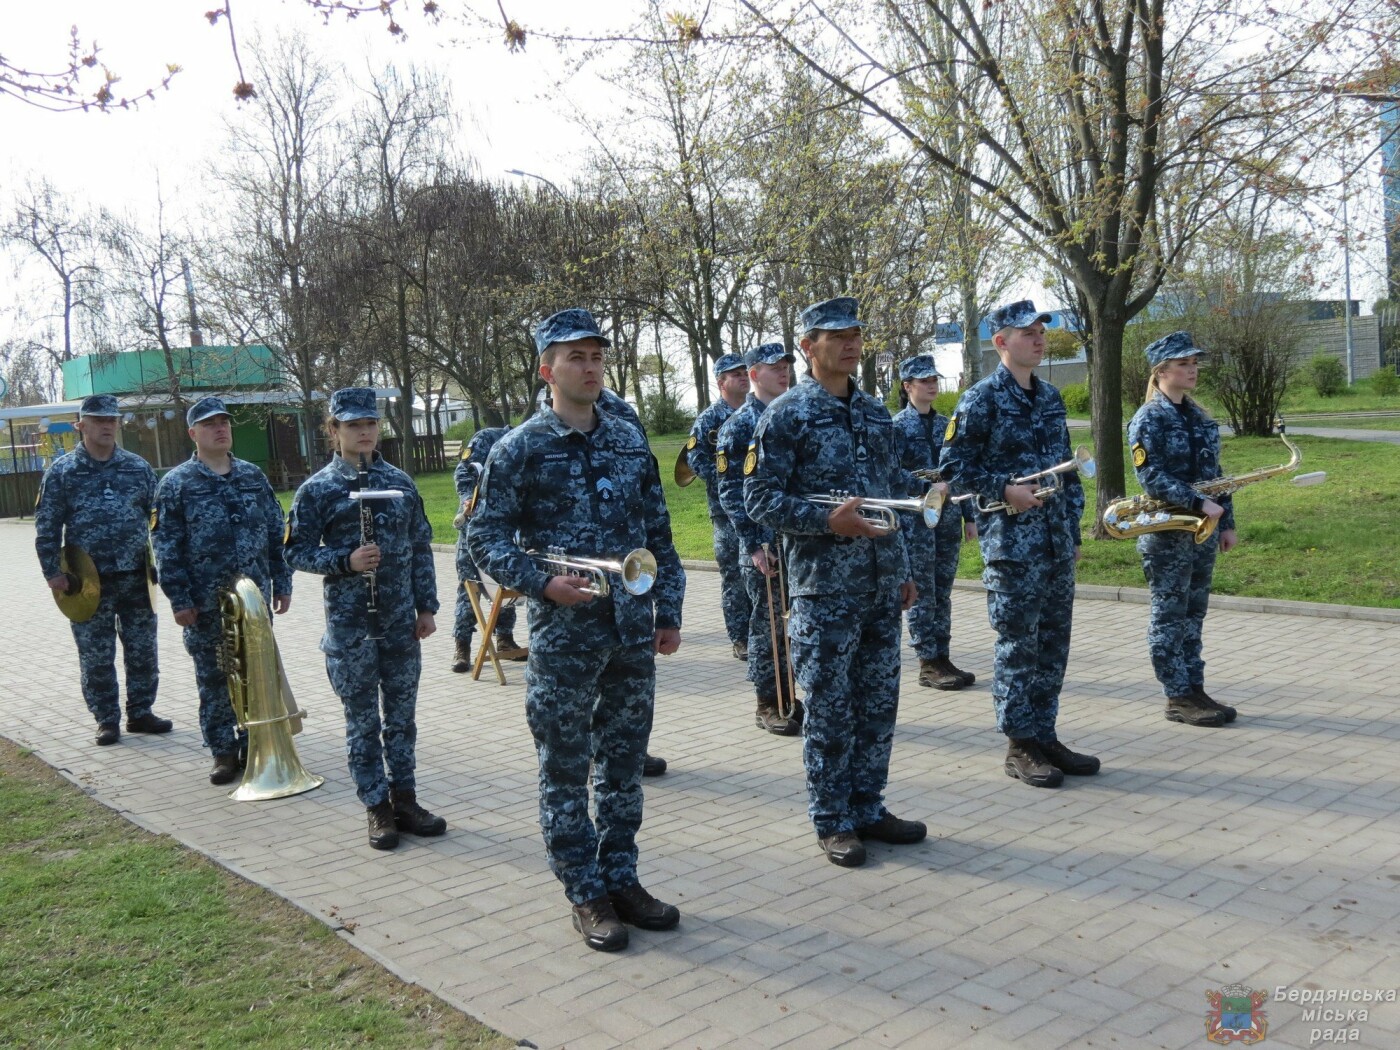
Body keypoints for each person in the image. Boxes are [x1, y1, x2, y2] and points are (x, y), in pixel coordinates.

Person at [468, 307, 686, 952]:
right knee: (565, 767)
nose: (590, 368)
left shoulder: (625, 440)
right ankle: (584, 892)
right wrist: (541, 583)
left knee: (622, 765)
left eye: (596, 357)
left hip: (629, 630)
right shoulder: (519, 448)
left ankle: (622, 878)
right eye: (575, 358)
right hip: (565, 635)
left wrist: (668, 610)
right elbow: (484, 537)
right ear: (547, 369)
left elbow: (660, 538)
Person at [745, 297, 926, 869]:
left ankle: (868, 806)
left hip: (878, 584)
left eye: (855, 334)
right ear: (808, 346)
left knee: (878, 703)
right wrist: (826, 520)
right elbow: (759, 498)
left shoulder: (875, 413)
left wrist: (902, 569)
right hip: (823, 588)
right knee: (828, 706)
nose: (850, 344)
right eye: (836, 335)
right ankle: (832, 819)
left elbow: (893, 494)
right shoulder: (786, 415)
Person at [938, 300, 1099, 788]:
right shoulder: (980, 399)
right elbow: (953, 468)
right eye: (1027, 332)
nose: (1038, 339)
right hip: (1011, 545)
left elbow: (1066, 473)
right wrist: (1004, 489)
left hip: (1053, 543)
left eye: (1041, 331)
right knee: (1017, 646)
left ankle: (1045, 735)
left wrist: (1071, 529)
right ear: (1001, 341)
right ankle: (1019, 744)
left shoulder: (1050, 397)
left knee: (1053, 645)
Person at [284, 388, 445, 850]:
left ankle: (406, 800)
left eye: (370, 424)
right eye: (353, 425)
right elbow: (295, 551)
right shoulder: (317, 489)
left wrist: (427, 607)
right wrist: (344, 561)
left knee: (401, 718)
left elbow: (420, 547)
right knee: (362, 720)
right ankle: (376, 807)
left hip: (399, 622)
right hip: (352, 626)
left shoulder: (400, 482)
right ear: (334, 431)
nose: (364, 432)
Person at [152, 396, 293, 784]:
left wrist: (282, 583)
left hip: (253, 600)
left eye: (224, 422)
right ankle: (222, 751)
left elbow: (273, 533)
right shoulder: (176, 484)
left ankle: (255, 742)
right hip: (205, 604)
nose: (220, 429)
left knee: (255, 673)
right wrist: (180, 600)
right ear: (192, 433)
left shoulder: (252, 476)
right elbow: (166, 547)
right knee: (215, 678)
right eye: (210, 423)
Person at [34, 393, 170, 747]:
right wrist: (52, 573)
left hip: (135, 577)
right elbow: (47, 527)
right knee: (96, 654)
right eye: (99, 420)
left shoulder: (137, 468)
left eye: (112, 420)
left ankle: (140, 711)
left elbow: (159, 522)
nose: (108, 425)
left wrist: (164, 566)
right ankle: (106, 718)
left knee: (143, 650)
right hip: (86, 581)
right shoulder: (62, 472)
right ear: (81, 426)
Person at [1128, 331, 1239, 728]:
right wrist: (1197, 503)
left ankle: (1195, 687)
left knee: (1194, 613)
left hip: (1203, 530)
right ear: (1161, 371)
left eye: (1194, 364)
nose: (1191, 370)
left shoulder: (1200, 419)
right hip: (1166, 532)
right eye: (1182, 364)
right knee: (1169, 614)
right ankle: (1176, 695)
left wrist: (1226, 521)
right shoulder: (1148, 418)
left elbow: (1216, 478)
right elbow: (1150, 476)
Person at [716, 342, 802, 735]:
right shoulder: (738, 425)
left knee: (799, 623)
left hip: (801, 540)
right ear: (753, 374)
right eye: (774, 367)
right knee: (768, 624)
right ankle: (769, 702)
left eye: (787, 365)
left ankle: (798, 695)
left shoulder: (797, 413)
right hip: (764, 545)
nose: (783, 372)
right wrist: (753, 544)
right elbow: (731, 493)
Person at [892, 354, 977, 690]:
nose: (931, 385)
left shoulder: (946, 425)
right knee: (922, 591)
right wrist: (925, 487)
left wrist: (969, 516)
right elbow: (891, 474)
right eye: (923, 380)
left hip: (948, 515)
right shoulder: (896, 427)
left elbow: (959, 471)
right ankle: (927, 661)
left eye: (933, 380)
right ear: (907, 386)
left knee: (942, 590)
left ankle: (942, 655)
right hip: (915, 519)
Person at [685, 353, 752, 661]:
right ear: (721, 382)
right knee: (734, 576)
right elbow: (694, 458)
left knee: (758, 572)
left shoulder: (758, 411)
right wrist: (725, 478)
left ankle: (762, 632)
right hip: (725, 512)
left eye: (744, 372)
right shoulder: (709, 419)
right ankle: (740, 637)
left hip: (757, 508)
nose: (742, 377)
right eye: (734, 374)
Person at [451, 426, 525, 673]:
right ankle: (462, 647)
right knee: (469, 585)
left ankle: (504, 638)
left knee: (507, 582)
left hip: (506, 528)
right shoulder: (487, 438)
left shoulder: (529, 439)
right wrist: (466, 498)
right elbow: (464, 472)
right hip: (474, 527)